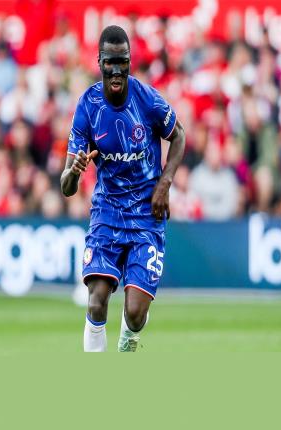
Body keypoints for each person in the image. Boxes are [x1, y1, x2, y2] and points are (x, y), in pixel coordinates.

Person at [60, 25, 185, 352]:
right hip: (108, 213)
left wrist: (165, 182)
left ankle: (128, 343)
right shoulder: (88, 106)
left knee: (135, 313)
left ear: (130, 61)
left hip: (147, 214)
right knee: (96, 301)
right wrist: (74, 171)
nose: (116, 70)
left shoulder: (147, 100)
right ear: (99, 62)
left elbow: (179, 135)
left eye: (123, 62)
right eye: (110, 62)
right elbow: (66, 186)